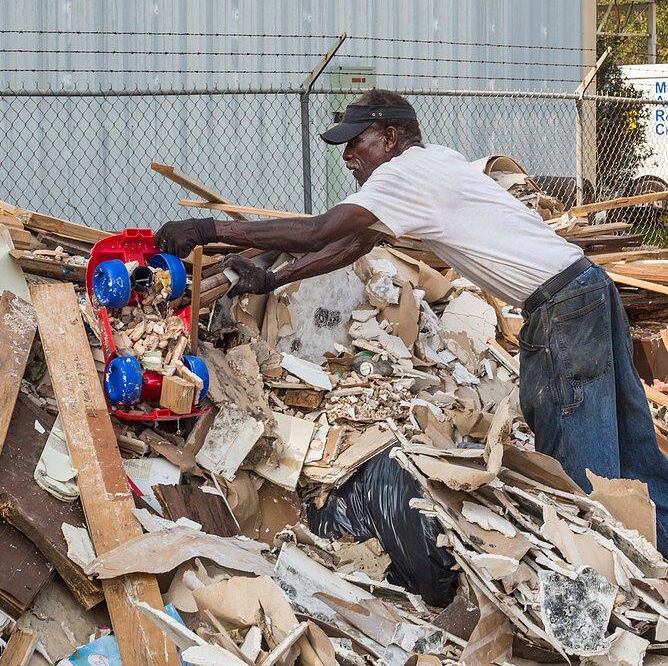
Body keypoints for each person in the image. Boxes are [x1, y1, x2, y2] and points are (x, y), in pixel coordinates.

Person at [156, 88, 668, 556]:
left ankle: (599, 576)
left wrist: (206, 227)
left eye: (355, 143)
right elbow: (352, 244)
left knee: (576, 449)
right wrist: (273, 280)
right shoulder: (431, 164)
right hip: (587, 287)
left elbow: (319, 231)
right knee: (632, 438)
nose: (347, 156)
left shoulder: (401, 175)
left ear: (390, 137)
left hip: (562, 309)